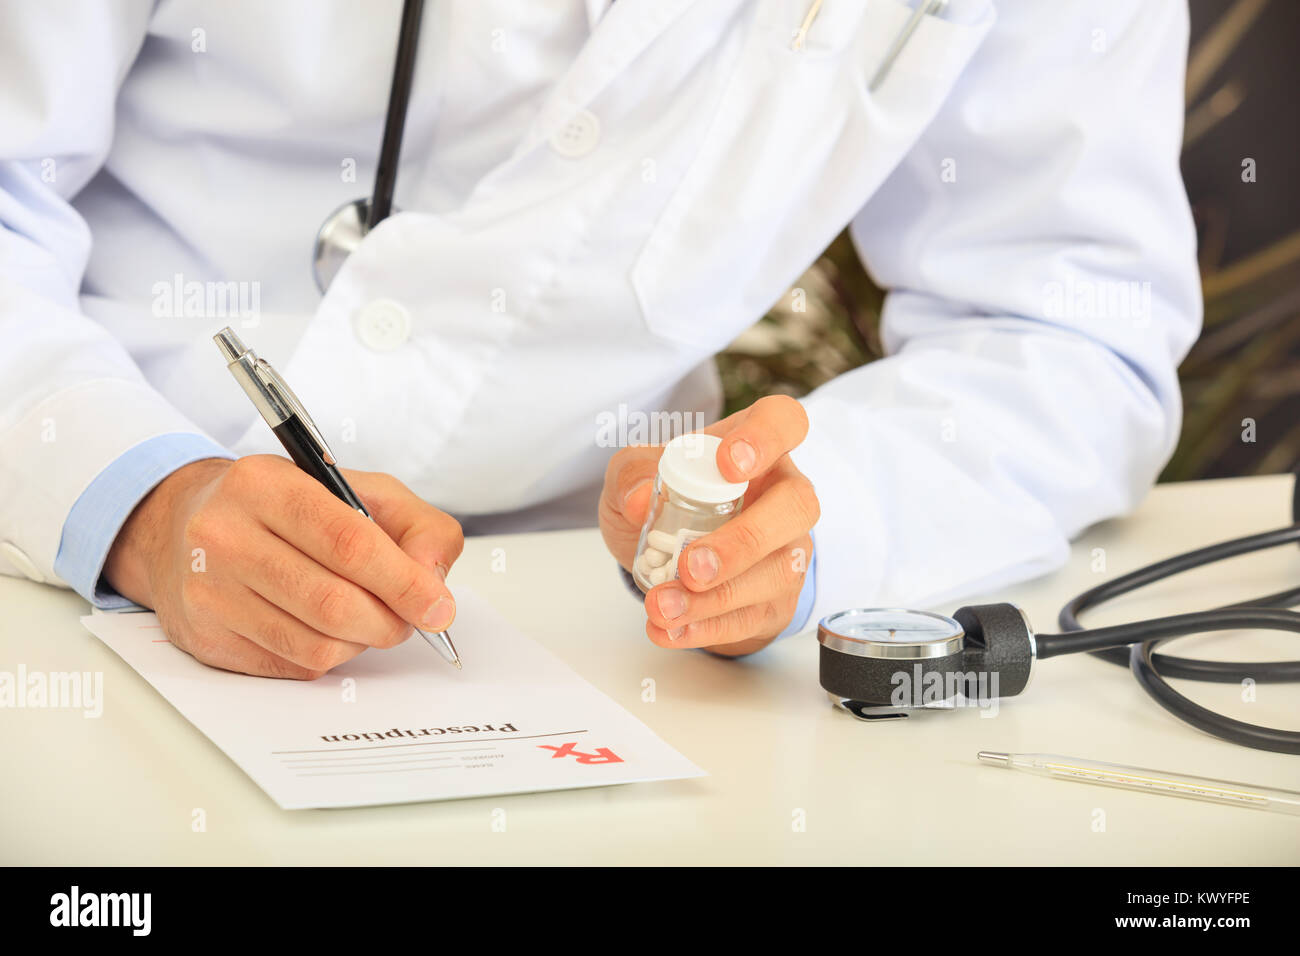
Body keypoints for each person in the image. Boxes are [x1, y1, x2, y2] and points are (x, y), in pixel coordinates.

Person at [0, 0, 1199, 677]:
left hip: (609, 644)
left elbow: (1072, 324)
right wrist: (146, 506)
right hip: (71, 562)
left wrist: (816, 514)